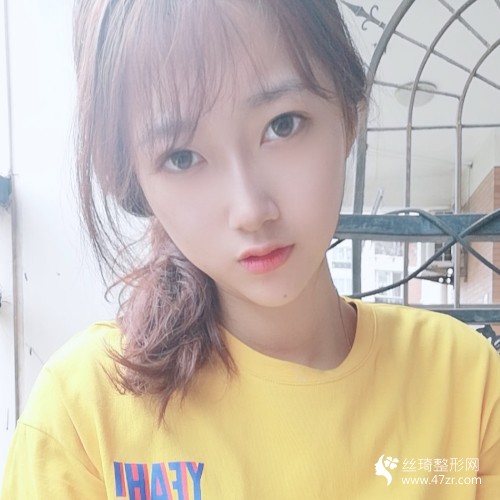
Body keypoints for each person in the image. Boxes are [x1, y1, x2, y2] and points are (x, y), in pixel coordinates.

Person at [2, 1, 499, 498]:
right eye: (182, 157)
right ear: (136, 182)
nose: (250, 210)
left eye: (283, 125)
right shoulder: (83, 415)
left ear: (349, 114)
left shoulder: (465, 382)